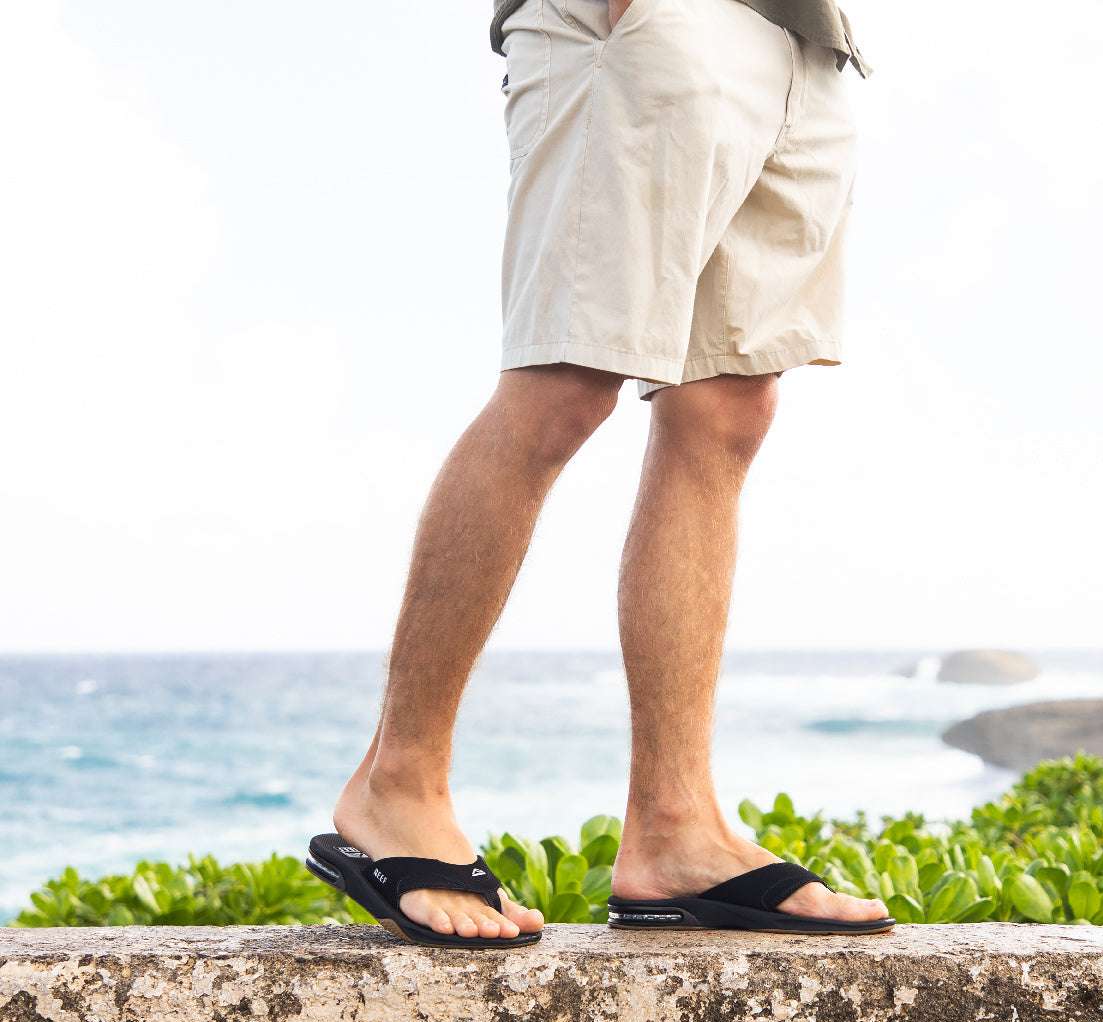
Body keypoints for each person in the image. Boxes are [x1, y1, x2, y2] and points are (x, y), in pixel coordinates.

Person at [306, 0, 894, 945]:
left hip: (803, 42)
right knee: (563, 381)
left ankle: (675, 829)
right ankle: (397, 784)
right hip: (650, 22)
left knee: (727, 407)